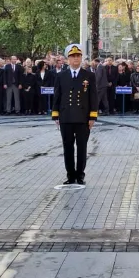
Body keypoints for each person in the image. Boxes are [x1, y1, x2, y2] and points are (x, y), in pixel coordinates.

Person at [51, 43, 98, 185]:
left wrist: (92, 117)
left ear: (81, 58)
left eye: (78, 56)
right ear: (67, 59)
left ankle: (80, 175)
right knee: (68, 147)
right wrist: (55, 115)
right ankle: (70, 175)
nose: (76, 59)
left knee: (82, 147)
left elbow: (93, 97)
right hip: (66, 117)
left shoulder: (88, 76)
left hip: (83, 118)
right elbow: (57, 96)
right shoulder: (61, 76)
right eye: (73, 56)